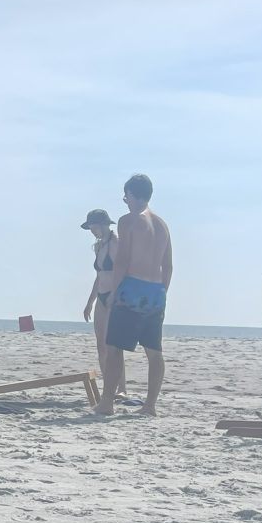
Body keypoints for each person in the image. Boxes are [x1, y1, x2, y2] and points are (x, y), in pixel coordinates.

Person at [94, 174, 173, 417]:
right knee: (154, 351)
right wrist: (162, 292)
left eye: (126, 196)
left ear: (132, 195)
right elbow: (168, 266)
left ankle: (107, 403)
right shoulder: (162, 225)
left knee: (115, 347)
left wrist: (117, 290)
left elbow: (123, 259)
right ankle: (150, 405)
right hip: (155, 290)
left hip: (132, 287)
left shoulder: (128, 221)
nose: (124, 200)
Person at [80, 209, 126, 399]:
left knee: (115, 345)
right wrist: (90, 301)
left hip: (116, 296)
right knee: (101, 345)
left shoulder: (117, 243)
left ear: (104, 224)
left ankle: (121, 388)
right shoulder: (98, 247)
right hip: (101, 295)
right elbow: (99, 276)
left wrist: (116, 295)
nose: (92, 231)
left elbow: (122, 272)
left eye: (94, 227)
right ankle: (109, 386)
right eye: (90, 228)